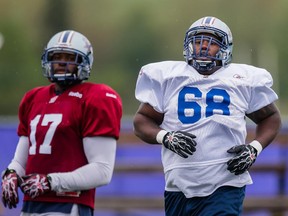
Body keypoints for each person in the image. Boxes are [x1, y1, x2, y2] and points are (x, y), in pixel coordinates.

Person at [133, 16, 282, 216]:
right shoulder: (170, 78)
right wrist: (165, 137)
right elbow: (141, 121)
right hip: (178, 185)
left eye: (211, 42)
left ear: (225, 48)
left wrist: (254, 148)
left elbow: (271, 118)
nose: (202, 47)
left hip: (226, 182)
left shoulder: (241, 80)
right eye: (197, 41)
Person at [1, 30, 122, 215]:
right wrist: (10, 174)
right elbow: (20, 160)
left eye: (69, 57)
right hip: (31, 205)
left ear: (83, 62)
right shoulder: (33, 98)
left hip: (68, 204)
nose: (61, 62)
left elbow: (102, 170)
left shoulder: (95, 98)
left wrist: (50, 182)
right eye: (56, 56)